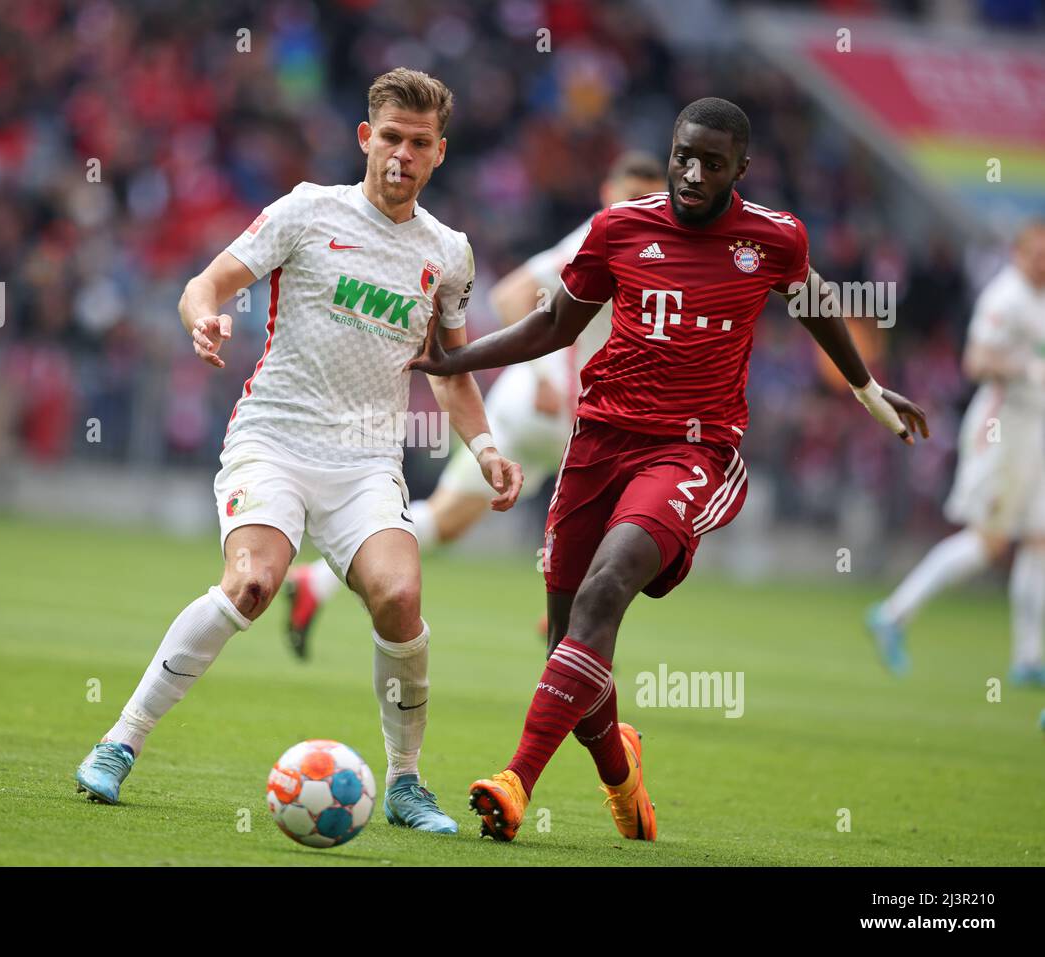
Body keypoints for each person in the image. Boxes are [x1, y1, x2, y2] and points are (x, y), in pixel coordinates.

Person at [407, 97, 929, 843]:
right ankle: (621, 773)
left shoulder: (773, 239)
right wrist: (457, 358)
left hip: (691, 451)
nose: (691, 172)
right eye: (683, 154)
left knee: (606, 586)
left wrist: (867, 390)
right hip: (597, 444)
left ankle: (515, 779)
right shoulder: (619, 228)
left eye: (711, 162)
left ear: (740, 168)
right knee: (570, 639)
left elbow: (815, 303)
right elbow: (555, 322)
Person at [73, 69, 523, 836]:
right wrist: (205, 317)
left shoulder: (448, 253)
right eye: (390, 138)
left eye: (419, 144)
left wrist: (485, 448)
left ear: (439, 153)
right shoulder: (308, 210)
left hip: (365, 463)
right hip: (273, 440)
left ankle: (407, 783)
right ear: (365, 137)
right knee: (250, 584)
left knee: (400, 597)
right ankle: (120, 741)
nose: (401, 155)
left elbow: (450, 371)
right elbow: (203, 283)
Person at [282, 154, 667, 658]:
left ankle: (316, 582)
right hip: (550, 412)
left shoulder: (643, 245)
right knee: (643, 511)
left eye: (650, 198)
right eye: (632, 197)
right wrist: (545, 375)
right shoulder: (603, 236)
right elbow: (511, 296)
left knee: (446, 521)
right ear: (606, 194)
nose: (642, 207)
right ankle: (578, 614)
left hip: (546, 413)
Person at [869, 221, 1045, 684]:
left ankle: (1028, 658)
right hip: (1002, 430)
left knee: (1038, 539)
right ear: (1020, 254)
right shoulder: (1004, 299)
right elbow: (977, 361)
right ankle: (894, 612)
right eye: (1037, 254)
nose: (1042, 262)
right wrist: (1027, 368)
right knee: (989, 540)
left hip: (1036, 433)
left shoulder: (1039, 299)